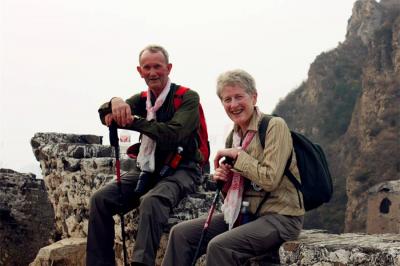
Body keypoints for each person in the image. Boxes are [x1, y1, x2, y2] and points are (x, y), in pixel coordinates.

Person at [162, 69, 305, 266]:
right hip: (247, 215)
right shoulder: (234, 137)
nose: (233, 105)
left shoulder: (274, 126)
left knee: (220, 246)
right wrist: (224, 181)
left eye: (239, 97)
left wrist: (239, 157)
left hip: (281, 217)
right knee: (181, 234)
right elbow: (234, 194)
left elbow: (270, 179)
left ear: (254, 97)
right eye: (227, 99)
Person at [86, 45, 204, 266]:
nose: (152, 72)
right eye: (147, 67)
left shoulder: (187, 98)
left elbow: (174, 134)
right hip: (148, 169)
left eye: (157, 66)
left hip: (183, 169)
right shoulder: (143, 100)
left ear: (168, 68)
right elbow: (106, 114)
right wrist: (115, 102)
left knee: (151, 201)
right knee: (100, 200)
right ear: (139, 71)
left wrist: (134, 122)